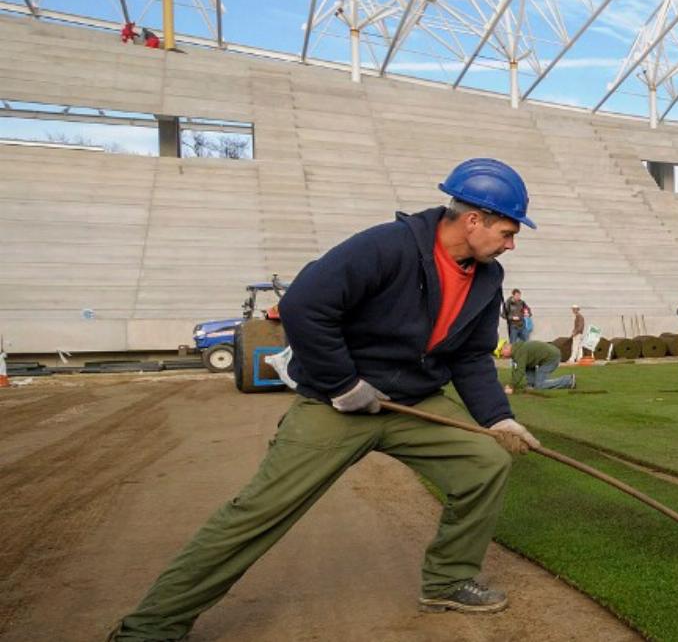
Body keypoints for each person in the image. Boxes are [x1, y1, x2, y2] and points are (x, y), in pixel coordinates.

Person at [109, 159, 541, 640]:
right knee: (259, 510)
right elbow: (302, 307)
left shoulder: (488, 277)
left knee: (485, 462)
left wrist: (499, 419)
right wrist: (342, 384)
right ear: (473, 220)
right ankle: (150, 627)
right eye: (507, 231)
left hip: (413, 404)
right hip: (336, 403)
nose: (511, 243)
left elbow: (471, 356)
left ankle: (447, 580)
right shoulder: (385, 246)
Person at [506, 338, 576, 392]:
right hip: (549, 356)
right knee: (528, 365)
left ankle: (568, 380)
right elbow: (517, 368)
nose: (501, 355)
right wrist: (512, 383)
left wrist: (511, 386)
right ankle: (531, 384)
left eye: (501, 352)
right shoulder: (517, 350)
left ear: (507, 348)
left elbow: (520, 371)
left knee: (540, 385)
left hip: (551, 359)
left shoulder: (520, 352)